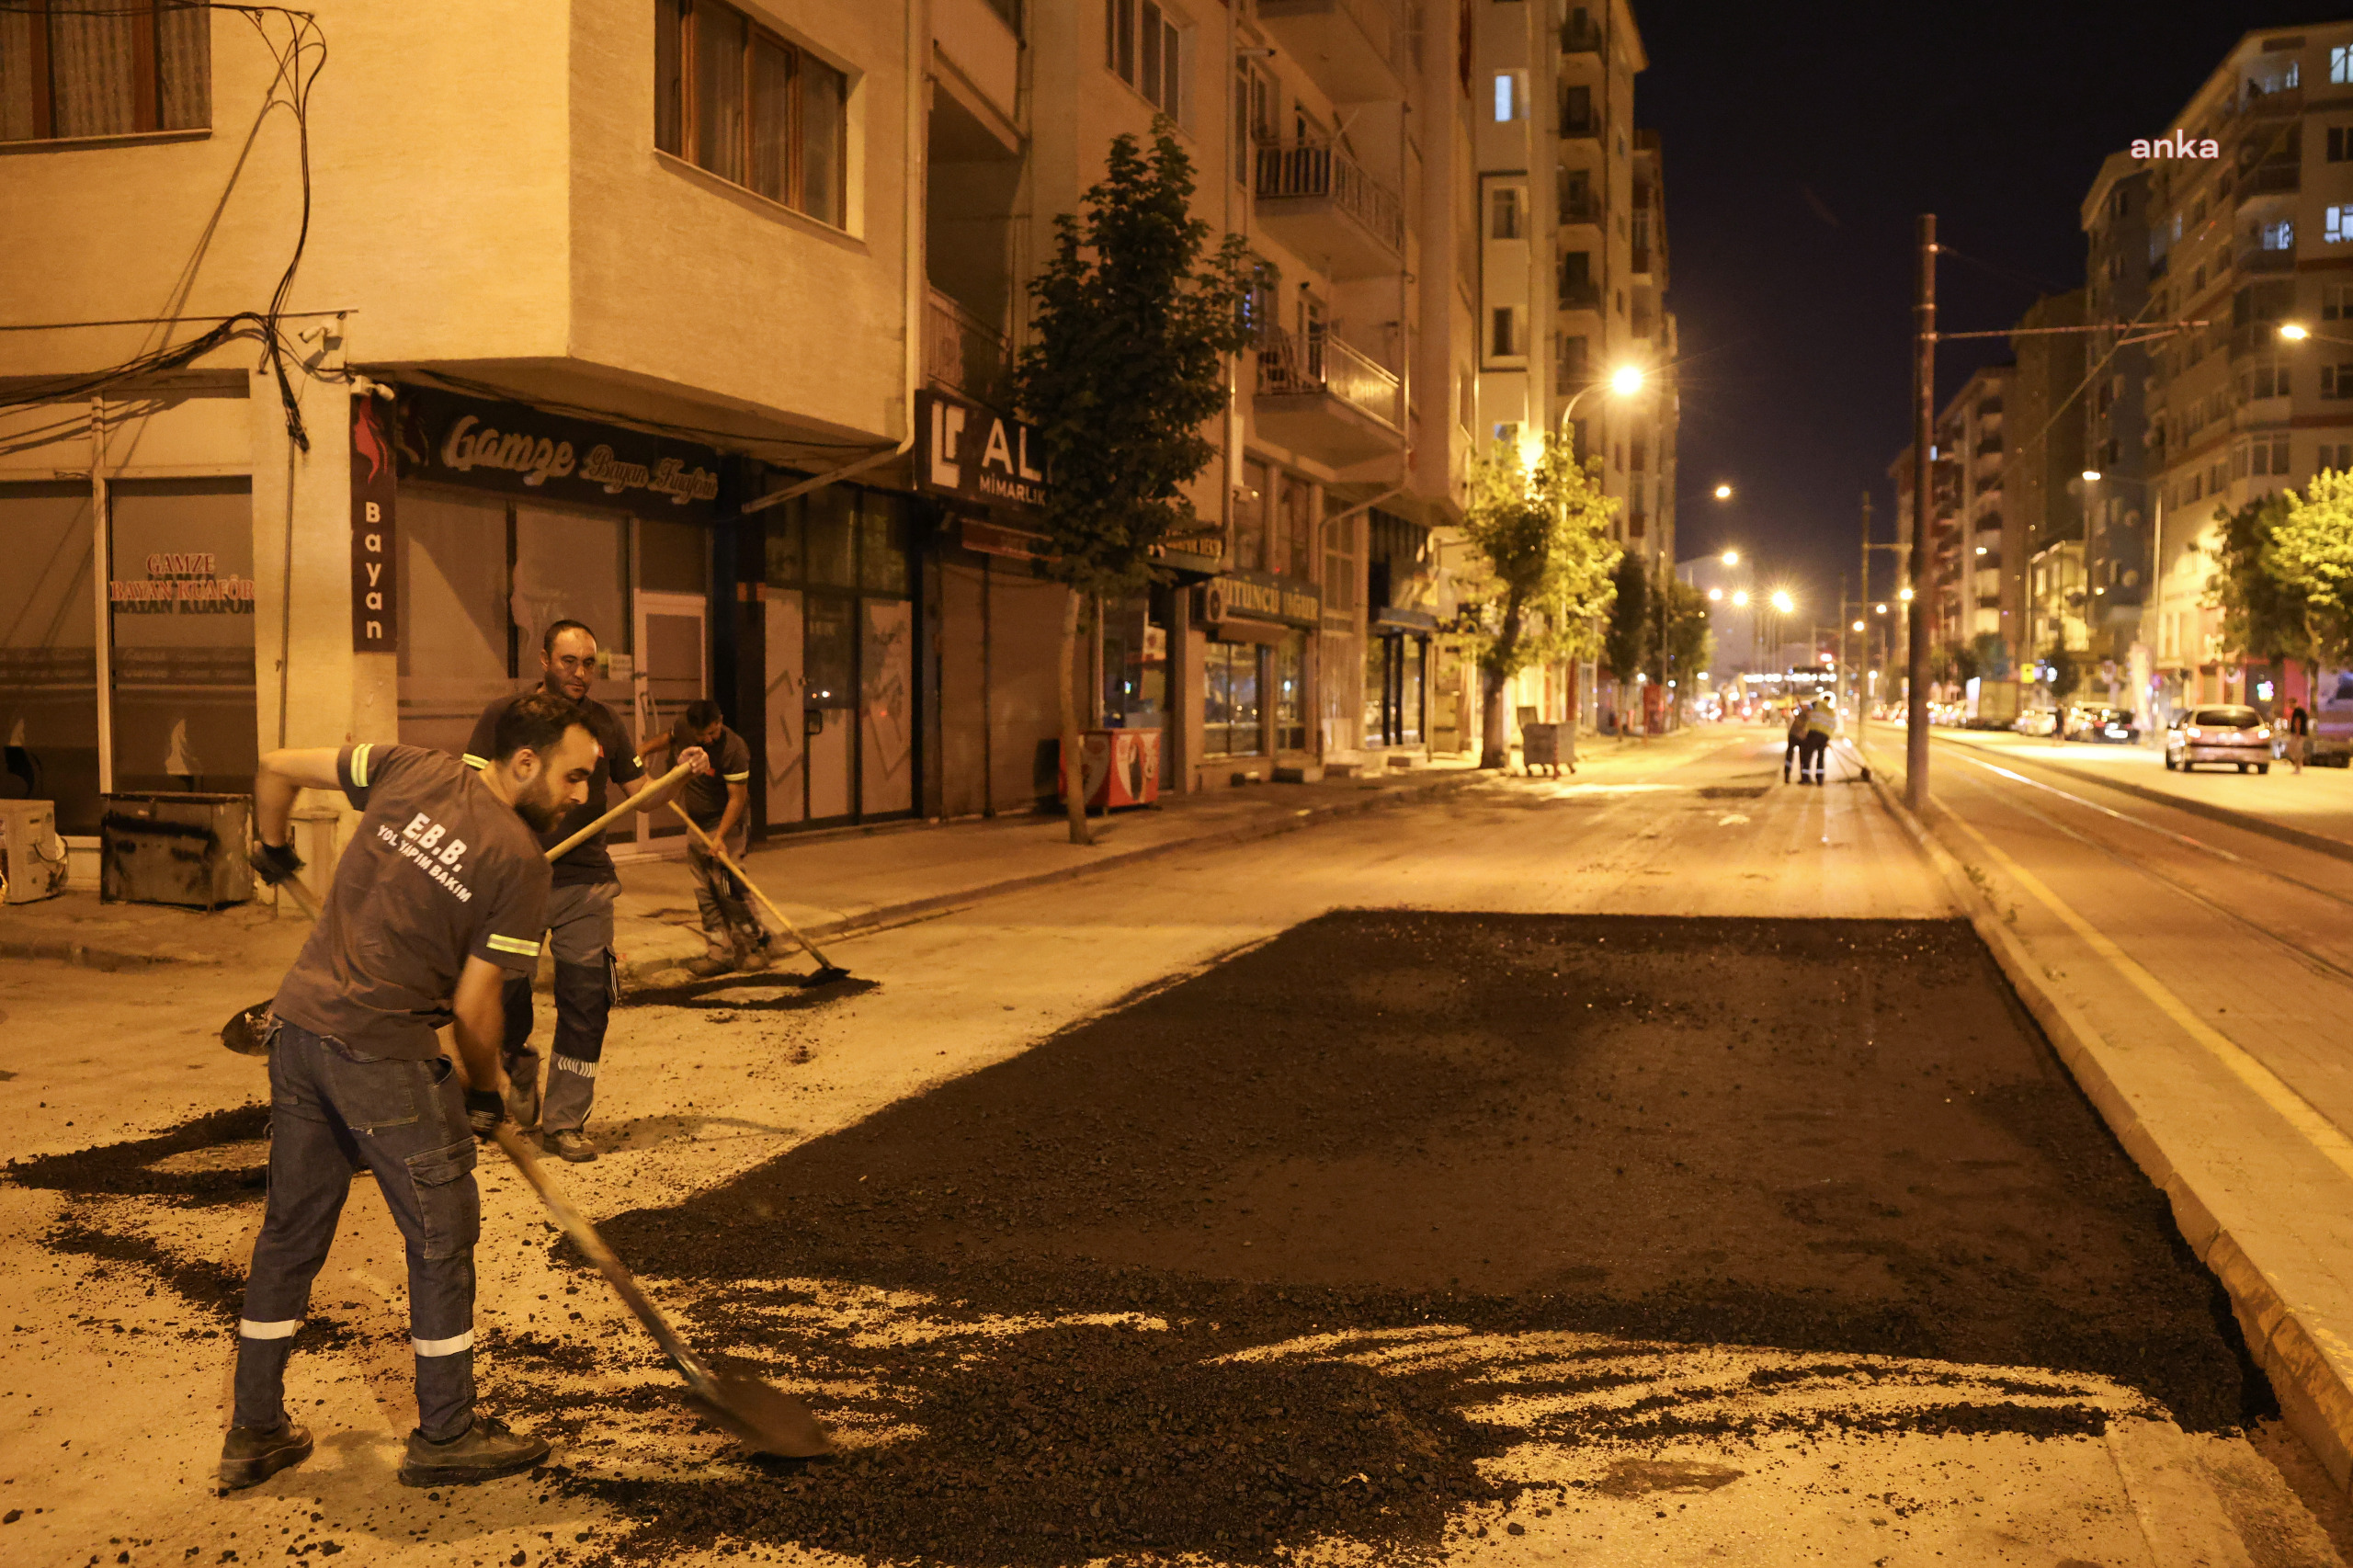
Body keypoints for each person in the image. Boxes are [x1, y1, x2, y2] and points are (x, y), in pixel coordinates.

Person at [222, 693, 597, 1493]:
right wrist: (488, 1092)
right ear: (524, 762)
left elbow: (276, 767)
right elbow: (474, 1008)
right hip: (382, 1054)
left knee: (289, 1235)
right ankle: (446, 1434)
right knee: (441, 1237)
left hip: (297, 1032)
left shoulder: (405, 767)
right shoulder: (520, 864)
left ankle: (254, 1429)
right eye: (573, 777)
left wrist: (272, 843)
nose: (582, 796)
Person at [465, 620, 707, 1163]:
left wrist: (682, 774)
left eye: (589, 663)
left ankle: (565, 1121)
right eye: (569, 661)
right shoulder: (505, 719)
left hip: (585, 883)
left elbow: (642, 797)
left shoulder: (606, 724)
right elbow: (469, 790)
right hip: (515, 881)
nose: (580, 673)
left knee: (585, 1002)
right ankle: (513, 1062)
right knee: (501, 996)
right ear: (545, 660)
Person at [639, 699, 767, 976]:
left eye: (712, 733)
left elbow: (737, 799)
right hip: (695, 824)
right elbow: (668, 738)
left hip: (727, 825)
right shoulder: (685, 729)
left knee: (728, 887)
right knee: (704, 892)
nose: (708, 740)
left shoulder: (734, 750)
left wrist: (720, 836)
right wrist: (644, 750)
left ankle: (754, 947)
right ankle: (719, 952)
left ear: (720, 721)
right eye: (702, 736)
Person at [1803, 699, 1838, 784]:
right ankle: (1820, 779)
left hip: (1813, 733)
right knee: (1821, 757)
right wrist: (1828, 738)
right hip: (1824, 736)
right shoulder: (1832, 712)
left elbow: (1806, 709)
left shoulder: (1817, 704)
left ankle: (1805, 778)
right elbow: (1833, 726)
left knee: (1807, 756)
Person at [1783, 704, 1807, 783]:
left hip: (1794, 735)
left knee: (1791, 756)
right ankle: (1803, 778)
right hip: (1798, 736)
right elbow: (1793, 708)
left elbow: (1794, 709)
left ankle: (1788, 776)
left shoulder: (1803, 712)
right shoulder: (1809, 714)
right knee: (1801, 757)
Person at [2287, 700, 2311, 774]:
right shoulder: (2301, 711)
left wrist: (2297, 733)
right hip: (2300, 734)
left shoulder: (2297, 711)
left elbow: (2298, 722)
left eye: (2290, 704)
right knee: (2296, 750)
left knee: (2295, 750)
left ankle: (2298, 767)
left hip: (2298, 734)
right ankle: (2298, 766)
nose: (2289, 706)